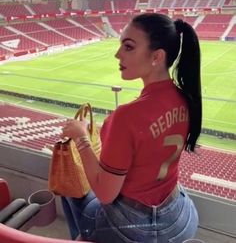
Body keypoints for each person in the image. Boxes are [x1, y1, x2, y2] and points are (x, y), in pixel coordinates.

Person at [61, 13, 202, 243]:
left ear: (157, 57)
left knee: (70, 193)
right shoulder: (186, 99)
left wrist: (81, 137)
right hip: (178, 215)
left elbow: (106, 194)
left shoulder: (125, 117)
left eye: (128, 47)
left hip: (137, 227)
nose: (117, 54)